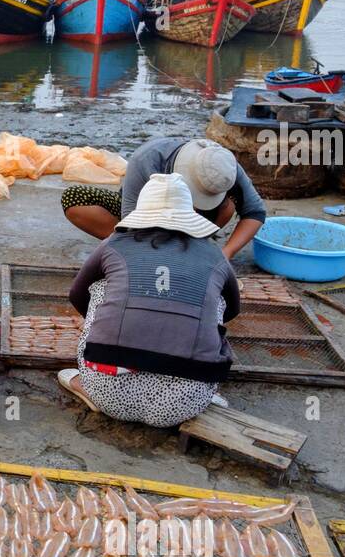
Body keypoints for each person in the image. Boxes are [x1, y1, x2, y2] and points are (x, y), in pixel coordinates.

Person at [58, 173, 240, 428]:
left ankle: (87, 383)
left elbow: (77, 294)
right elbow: (232, 308)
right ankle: (200, 387)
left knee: (101, 288)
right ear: (188, 211)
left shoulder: (115, 243)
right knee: (213, 300)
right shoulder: (214, 254)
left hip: (108, 393)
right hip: (184, 405)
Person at [61, 137, 265, 261]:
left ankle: (193, 247)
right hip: (145, 216)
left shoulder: (223, 167)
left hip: (194, 220)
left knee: (227, 206)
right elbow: (130, 221)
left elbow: (255, 212)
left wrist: (226, 253)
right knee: (74, 198)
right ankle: (147, 250)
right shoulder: (146, 159)